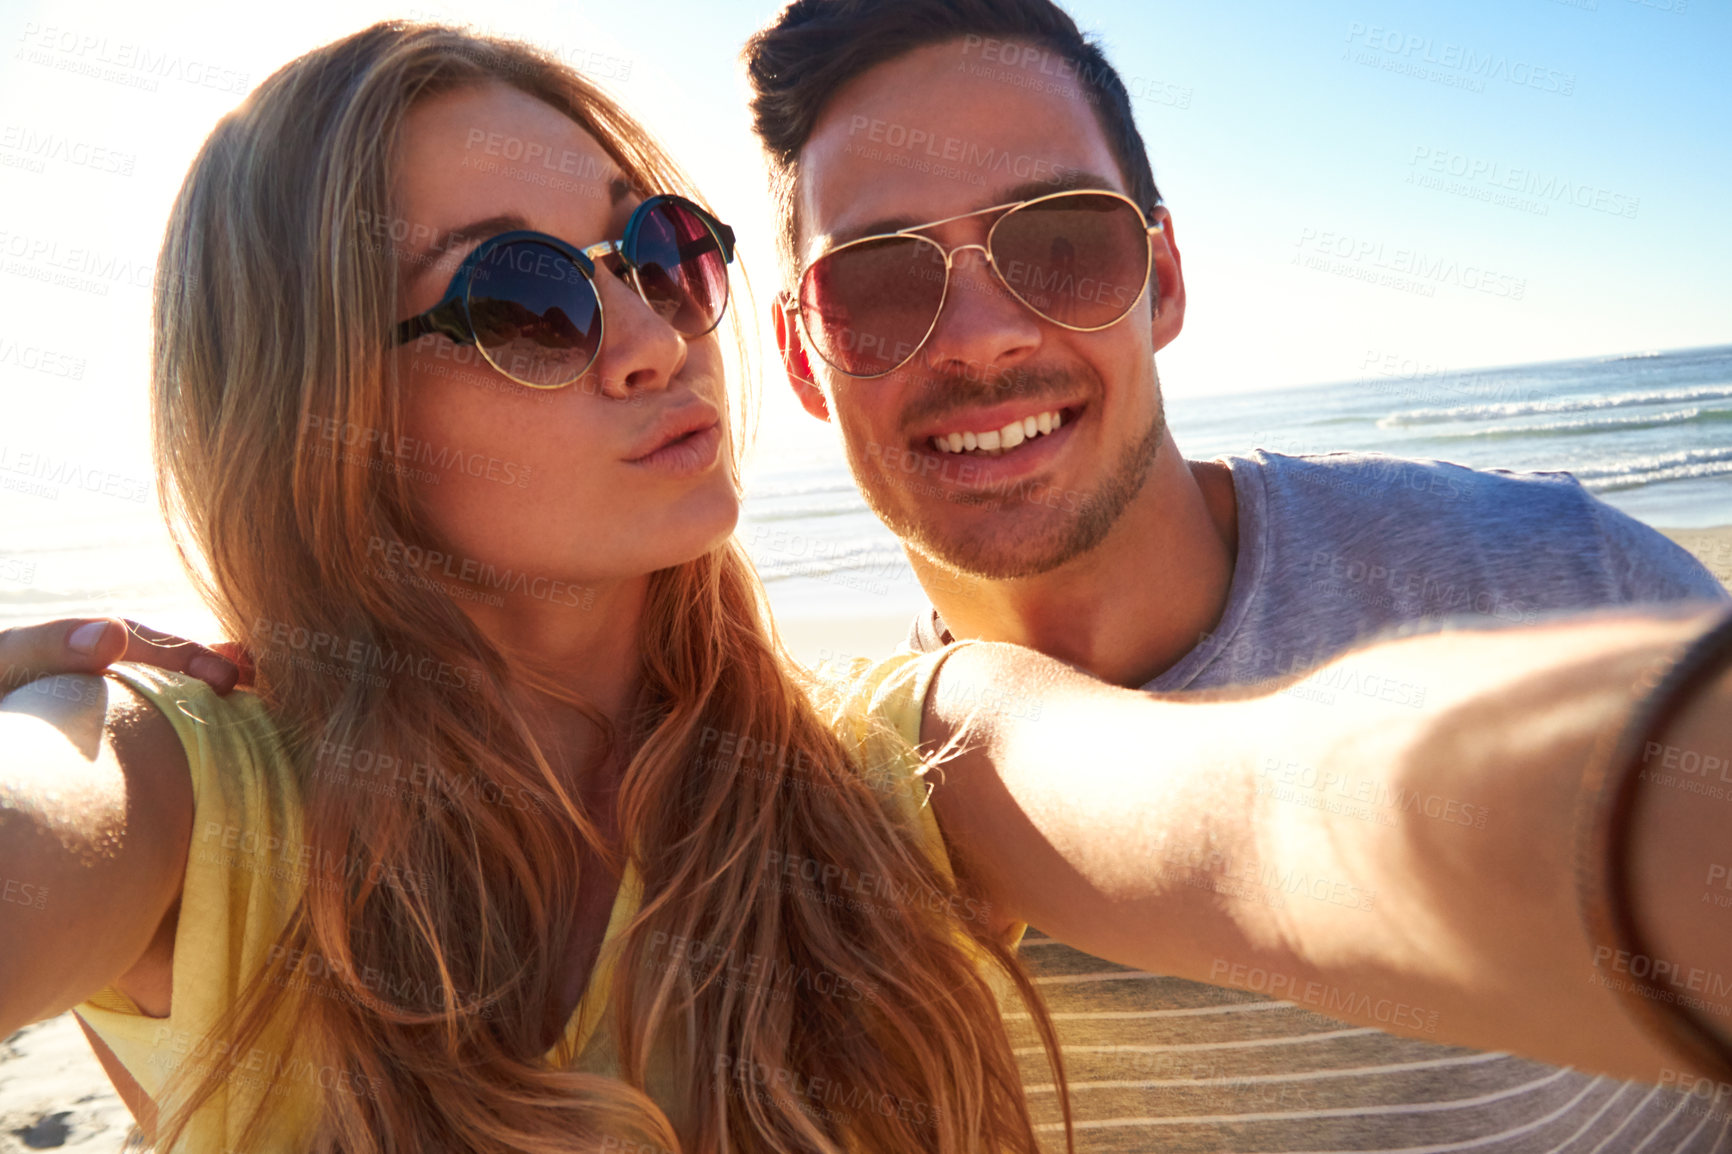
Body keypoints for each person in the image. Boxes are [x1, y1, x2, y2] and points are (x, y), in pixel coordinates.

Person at [3, 16, 1731, 1154]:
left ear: (1164, 272)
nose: (644, 332)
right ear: (320, 404)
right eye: (523, 296)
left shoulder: (871, 777)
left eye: (655, 247)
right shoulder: (176, 785)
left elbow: (1273, 810)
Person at [743, 0, 1732, 1149]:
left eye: (1060, 244)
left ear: (1160, 280)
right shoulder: (833, 849)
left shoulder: (1557, 580)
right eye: (875, 285)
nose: (979, 334)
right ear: (803, 359)